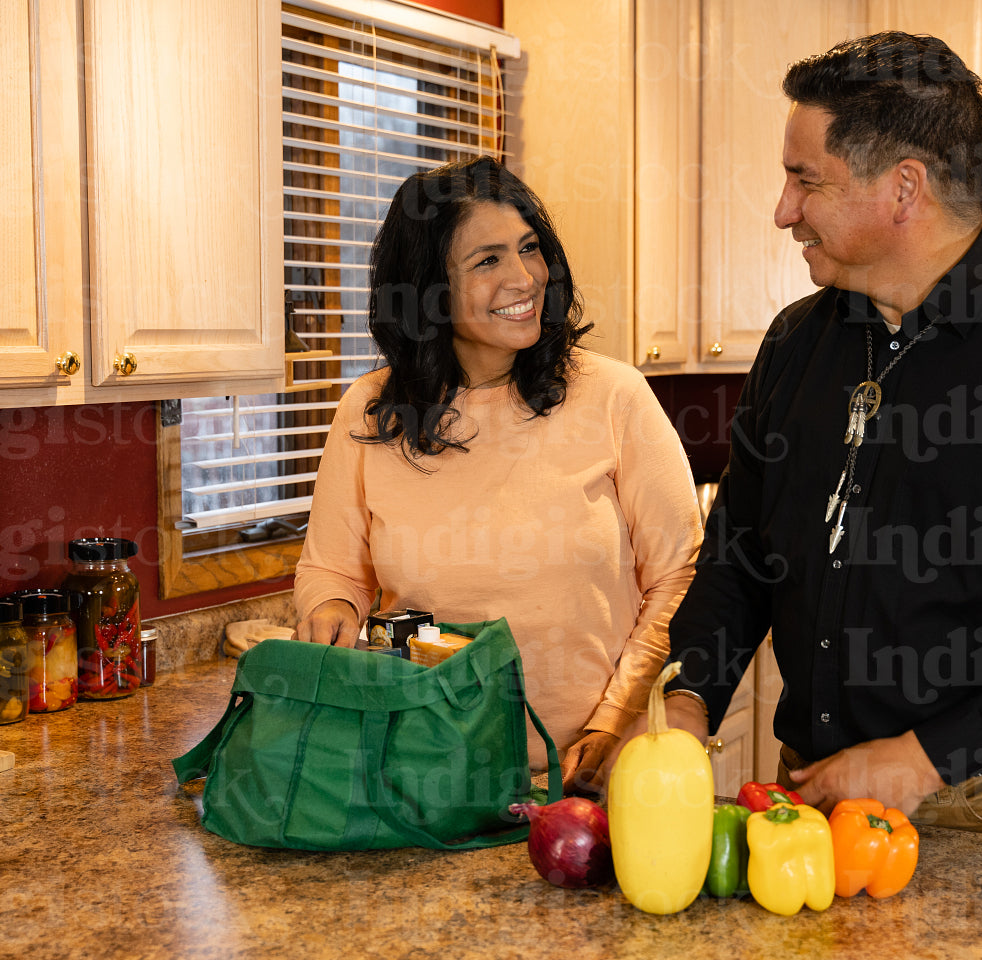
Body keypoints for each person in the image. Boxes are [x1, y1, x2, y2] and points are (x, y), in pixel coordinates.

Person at [628, 31, 982, 848]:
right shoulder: (795, 344)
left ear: (903, 189)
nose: (782, 210)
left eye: (804, 180)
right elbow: (739, 560)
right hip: (806, 802)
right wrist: (685, 702)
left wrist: (925, 758)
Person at [293, 156, 703, 794]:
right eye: (487, 261)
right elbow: (332, 568)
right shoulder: (369, 411)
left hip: (596, 775)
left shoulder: (613, 395)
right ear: (427, 288)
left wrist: (613, 725)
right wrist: (331, 606)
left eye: (530, 249)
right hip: (428, 773)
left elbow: (680, 575)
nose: (525, 277)